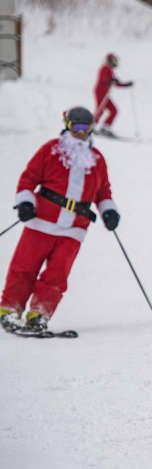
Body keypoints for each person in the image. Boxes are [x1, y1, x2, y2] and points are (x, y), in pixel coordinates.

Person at [0, 107, 119, 334]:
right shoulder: (50, 150)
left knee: (57, 275)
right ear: (67, 125)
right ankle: (10, 310)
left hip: (74, 229)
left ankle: (39, 314)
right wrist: (26, 202)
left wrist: (108, 211)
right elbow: (28, 178)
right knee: (24, 268)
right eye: (77, 127)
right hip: (41, 221)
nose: (81, 133)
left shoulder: (96, 159)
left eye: (87, 128)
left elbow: (103, 191)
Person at [93, 53, 133, 138]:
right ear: (109, 60)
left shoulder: (110, 70)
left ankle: (105, 128)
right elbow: (104, 80)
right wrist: (111, 80)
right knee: (100, 109)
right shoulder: (104, 68)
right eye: (114, 60)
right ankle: (91, 127)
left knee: (114, 110)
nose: (115, 62)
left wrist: (125, 85)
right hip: (100, 91)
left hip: (105, 94)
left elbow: (114, 82)